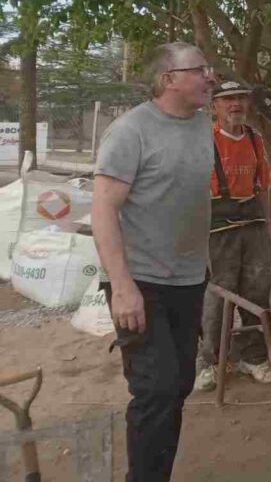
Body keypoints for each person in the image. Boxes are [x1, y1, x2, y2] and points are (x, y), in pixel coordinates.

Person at [92, 43, 216, 482]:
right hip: (140, 283)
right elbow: (103, 209)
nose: (210, 77)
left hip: (188, 280)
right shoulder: (131, 131)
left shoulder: (205, 127)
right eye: (200, 69)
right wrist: (121, 287)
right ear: (169, 79)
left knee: (178, 385)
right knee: (156, 390)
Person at [194, 80, 271, 391]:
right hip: (218, 229)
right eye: (227, 100)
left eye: (241, 98)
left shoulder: (255, 140)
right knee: (220, 293)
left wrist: (268, 224)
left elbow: (263, 187)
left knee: (258, 290)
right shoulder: (204, 141)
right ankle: (210, 362)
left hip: (252, 223)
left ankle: (252, 357)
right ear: (214, 106)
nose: (235, 105)